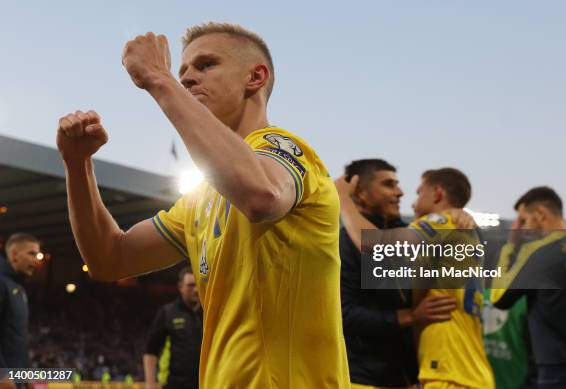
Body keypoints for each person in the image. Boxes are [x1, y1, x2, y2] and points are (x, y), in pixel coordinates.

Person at [56, 22, 349, 388]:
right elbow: (109, 259)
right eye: (182, 71)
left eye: (206, 65)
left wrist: (160, 79)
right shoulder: (199, 199)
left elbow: (262, 196)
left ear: (255, 77)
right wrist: (77, 165)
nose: (187, 79)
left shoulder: (289, 153)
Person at [336, 168, 494, 389]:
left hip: (449, 374)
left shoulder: (442, 222)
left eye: (419, 193)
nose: (412, 202)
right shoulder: (467, 232)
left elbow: (375, 245)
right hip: (470, 370)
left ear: (437, 193)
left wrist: (343, 199)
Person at [492, 187, 566, 388]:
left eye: (523, 220)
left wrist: (510, 246)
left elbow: (499, 297)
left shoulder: (539, 253)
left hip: (559, 373)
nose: (522, 228)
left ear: (540, 214)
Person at [144, 267, 202, 389]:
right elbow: (150, 350)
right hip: (174, 385)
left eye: (198, 284)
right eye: (191, 285)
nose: (196, 289)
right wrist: (150, 384)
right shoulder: (168, 313)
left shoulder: (208, 313)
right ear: (180, 287)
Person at [0, 233, 40, 389]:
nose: (36, 260)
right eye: (32, 253)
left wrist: (27, 374)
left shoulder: (18, 288)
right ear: (15, 254)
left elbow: (18, 339)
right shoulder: (2, 283)